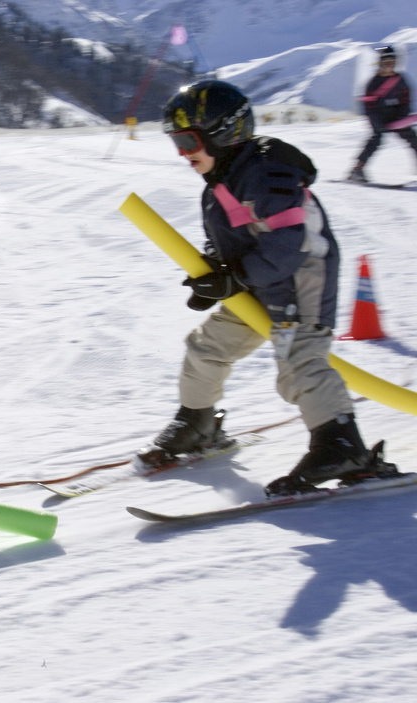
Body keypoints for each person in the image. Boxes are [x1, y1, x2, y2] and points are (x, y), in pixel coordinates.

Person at [146, 79, 397, 498]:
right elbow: (228, 239)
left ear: (224, 132)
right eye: (177, 143)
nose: (183, 154)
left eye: (189, 141)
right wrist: (214, 274)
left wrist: (234, 277)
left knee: (300, 361)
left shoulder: (267, 174)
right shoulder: (221, 180)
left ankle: (342, 446)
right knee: (206, 346)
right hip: (259, 281)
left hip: (302, 278)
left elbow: (287, 246)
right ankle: (198, 422)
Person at [348, 45, 417, 183]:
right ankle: (357, 169)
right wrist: (376, 123)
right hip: (378, 118)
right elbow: (368, 107)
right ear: (380, 64)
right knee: (375, 140)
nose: (388, 66)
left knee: (413, 139)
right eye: (385, 63)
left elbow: (406, 101)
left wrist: (402, 116)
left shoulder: (401, 81)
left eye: (391, 63)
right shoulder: (373, 83)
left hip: (397, 118)